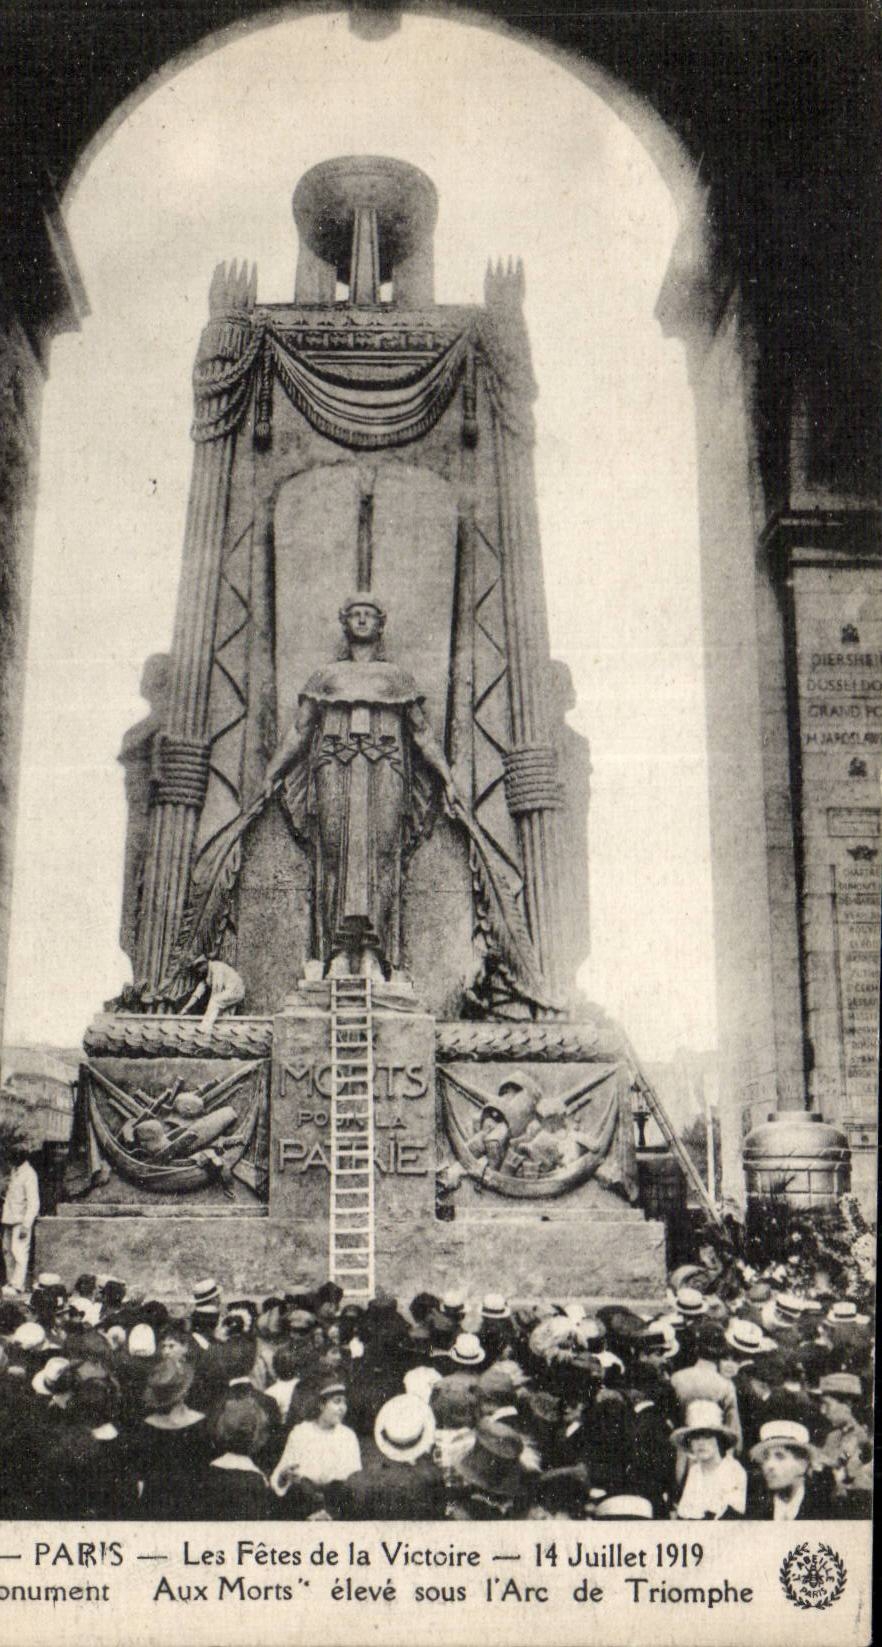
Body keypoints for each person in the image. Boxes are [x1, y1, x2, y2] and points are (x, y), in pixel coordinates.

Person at [263, 593, 457, 980]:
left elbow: (422, 734)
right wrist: (273, 772)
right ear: (345, 622)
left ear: (380, 624)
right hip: (334, 767)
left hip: (386, 768)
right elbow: (300, 731)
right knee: (334, 856)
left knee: (382, 857)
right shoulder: (325, 677)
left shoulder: (396, 678)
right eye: (356, 614)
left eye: (370, 615)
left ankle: (373, 952)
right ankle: (336, 954)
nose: (363, 620)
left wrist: (447, 778)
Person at [270, 1378, 361, 1494]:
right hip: (303, 1501)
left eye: (345, 1403)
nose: (342, 1408)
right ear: (321, 1405)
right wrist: (283, 1477)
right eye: (337, 1401)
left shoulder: (347, 1436)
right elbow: (281, 1473)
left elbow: (354, 1478)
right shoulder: (301, 1432)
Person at [746, 1419, 835, 1519]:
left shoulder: (824, 1512)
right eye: (766, 1458)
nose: (768, 1465)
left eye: (780, 1456)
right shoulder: (755, 1515)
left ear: (803, 1464)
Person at [671, 1400, 746, 1519]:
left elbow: (732, 1515)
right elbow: (684, 1514)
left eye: (707, 1436)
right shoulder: (695, 1471)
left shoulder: (733, 1470)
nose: (701, 1443)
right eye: (695, 1437)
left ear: (719, 1440)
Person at [1, 1149, 40, 1293]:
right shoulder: (14, 1172)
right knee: (7, 1251)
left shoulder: (29, 1174)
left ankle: (18, 1285)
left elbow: (34, 1202)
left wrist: (26, 1225)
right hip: (9, 1218)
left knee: (19, 1252)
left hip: (21, 1220)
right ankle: (11, 1282)